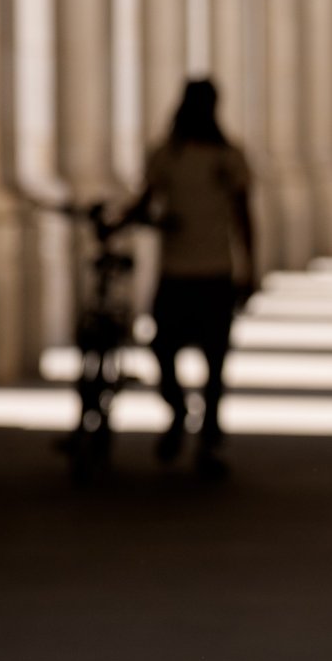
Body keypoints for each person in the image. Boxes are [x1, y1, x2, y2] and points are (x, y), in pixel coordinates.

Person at [127, 79, 257, 480]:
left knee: (208, 361)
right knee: (168, 350)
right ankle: (184, 414)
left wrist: (249, 267)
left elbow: (243, 212)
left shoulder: (226, 157)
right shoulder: (169, 156)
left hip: (208, 270)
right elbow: (147, 200)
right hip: (185, 271)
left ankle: (204, 437)